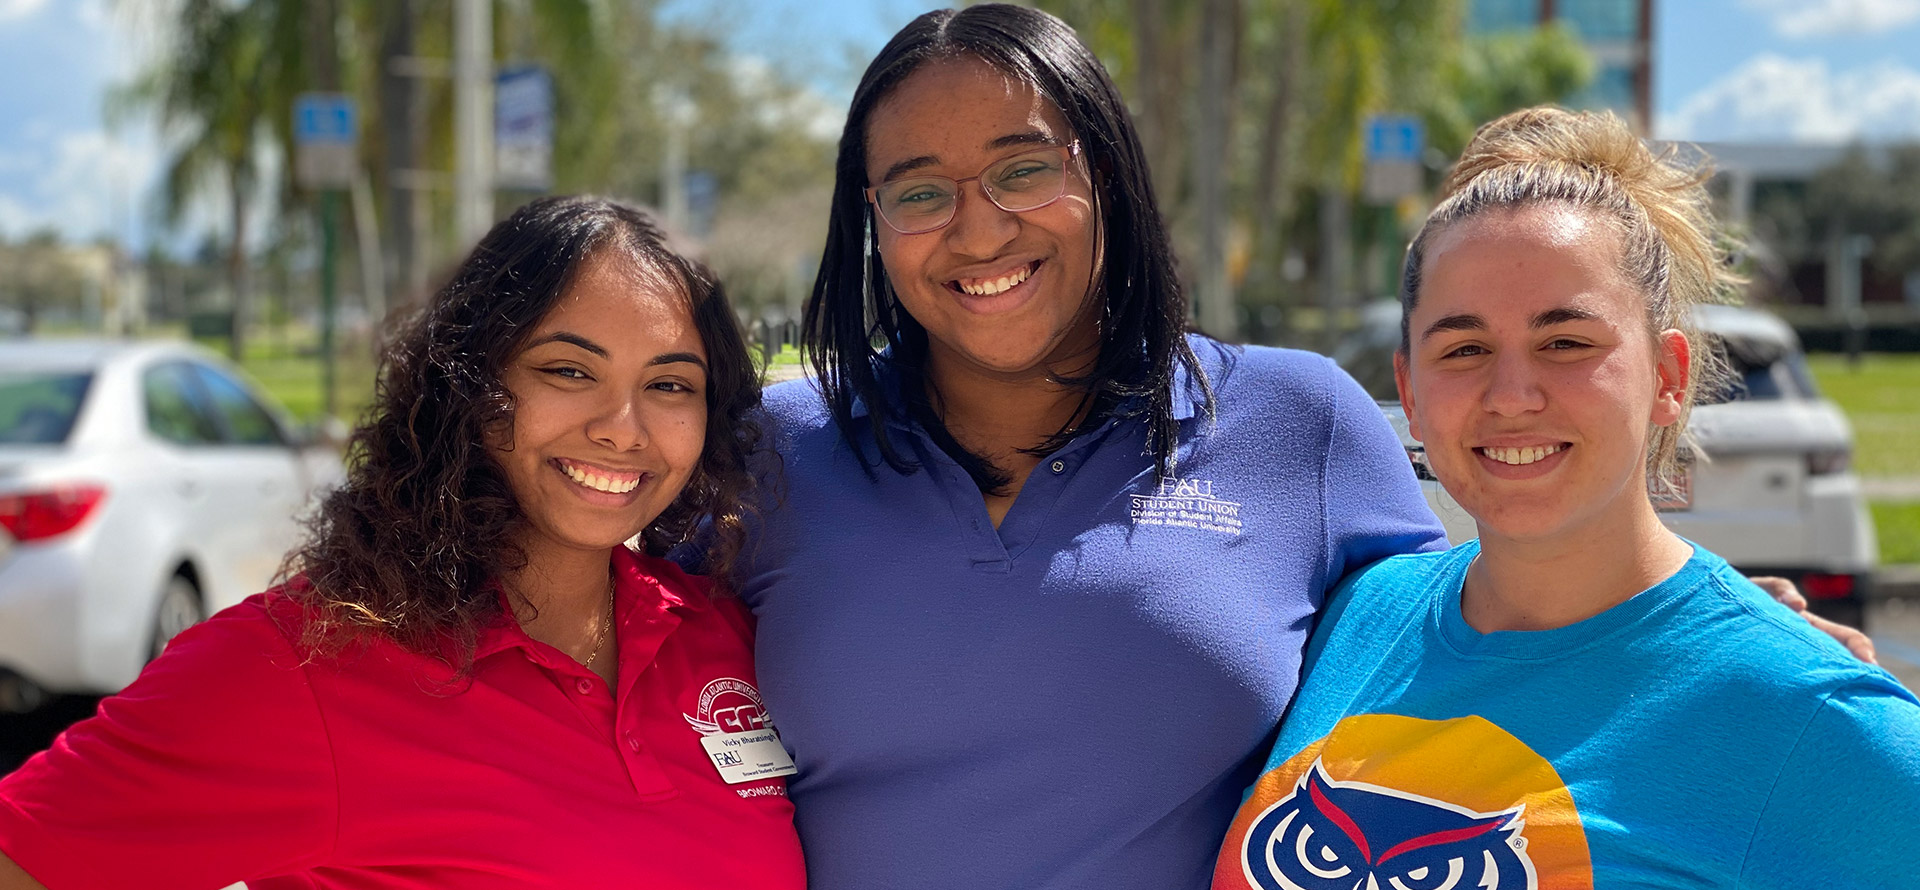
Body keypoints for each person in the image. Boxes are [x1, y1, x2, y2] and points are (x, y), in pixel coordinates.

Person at [731, 6, 1444, 889]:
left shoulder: (1301, 423)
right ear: (871, 220)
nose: (981, 231)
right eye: (920, 193)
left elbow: (1468, 676)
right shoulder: (769, 454)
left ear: (1104, 171)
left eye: (1023, 171)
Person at [0, 197, 805, 889]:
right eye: (567, 370)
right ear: (469, 381)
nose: (621, 428)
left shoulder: (720, 635)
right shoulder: (310, 664)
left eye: (670, 385)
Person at [1213, 108, 1920, 890]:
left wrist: (1751, 652)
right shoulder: (1358, 616)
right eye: (1464, 349)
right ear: (1409, 393)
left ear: (1670, 376)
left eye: (1567, 343)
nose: (1511, 395)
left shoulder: (1814, 719)